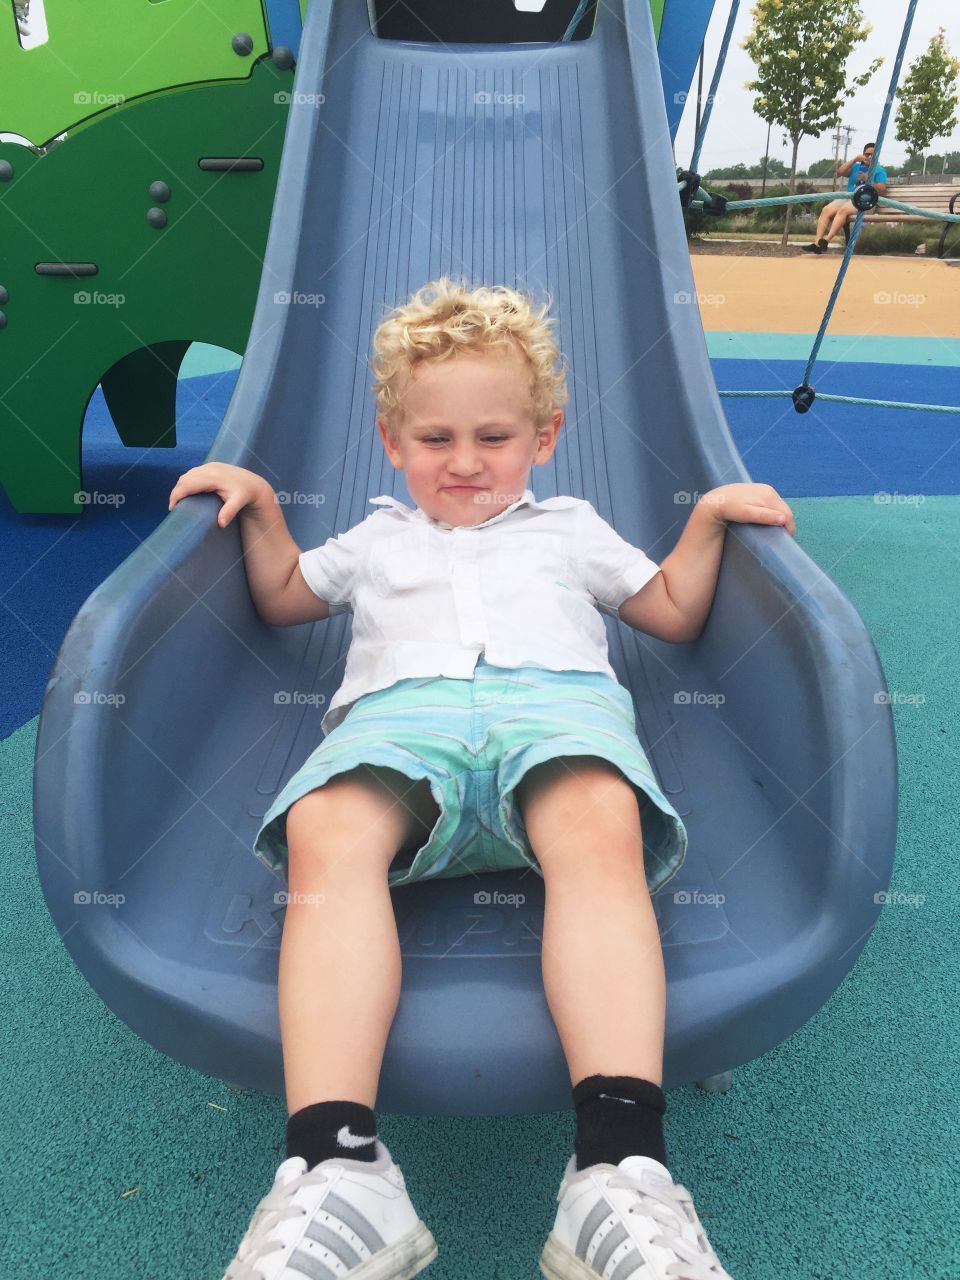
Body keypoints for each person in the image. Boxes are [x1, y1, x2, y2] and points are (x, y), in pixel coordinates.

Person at [168, 277, 796, 1280]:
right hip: (401, 718)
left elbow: (670, 608)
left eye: (494, 437)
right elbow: (286, 597)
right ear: (392, 439)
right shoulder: (376, 539)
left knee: (599, 814)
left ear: (544, 436)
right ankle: (338, 1165)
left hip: (555, 709)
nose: (464, 463)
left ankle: (618, 1164)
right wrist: (261, 509)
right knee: (327, 825)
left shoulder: (571, 527)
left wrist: (711, 518)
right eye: (436, 439)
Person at [801, 141, 889, 253]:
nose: (869, 156)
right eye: (867, 154)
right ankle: (817, 243)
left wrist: (867, 179)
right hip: (847, 198)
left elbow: (882, 190)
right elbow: (841, 171)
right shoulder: (857, 166)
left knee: (843, 210)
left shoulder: (879, 170)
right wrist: (854, 160)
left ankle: (826, 240)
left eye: (873, 154)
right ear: (863, 154)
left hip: (866, 202)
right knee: (826, 210)